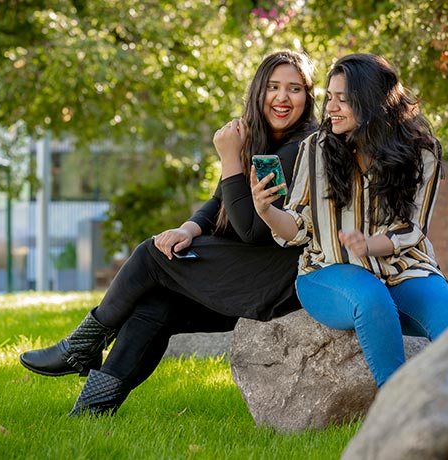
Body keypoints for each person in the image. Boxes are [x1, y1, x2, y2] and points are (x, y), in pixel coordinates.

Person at [19, 50, 318, 416]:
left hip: (276, 276)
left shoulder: (301, 146)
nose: (282, 98)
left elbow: (253, 230)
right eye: (273, 87)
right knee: (154, 307)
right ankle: (92, 410)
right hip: (246, 269)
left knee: (151, 255)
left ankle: (79, 347)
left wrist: (228, 160)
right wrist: (187, 229)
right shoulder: (255, 136)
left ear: (308, 96)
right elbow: (220, 202)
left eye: (294, 89)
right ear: (258, 90)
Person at [250, 53, 448, 388]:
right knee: (371, 299)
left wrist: (369, 245)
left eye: (343, 99)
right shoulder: (316, 148)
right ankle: (394, 412)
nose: (331, 108)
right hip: (329, 270)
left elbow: (412, 228)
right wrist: (266, 211)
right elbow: (299, 226)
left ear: (372, 102)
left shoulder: (422, 152)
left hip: (404, 269)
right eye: (329, 97)